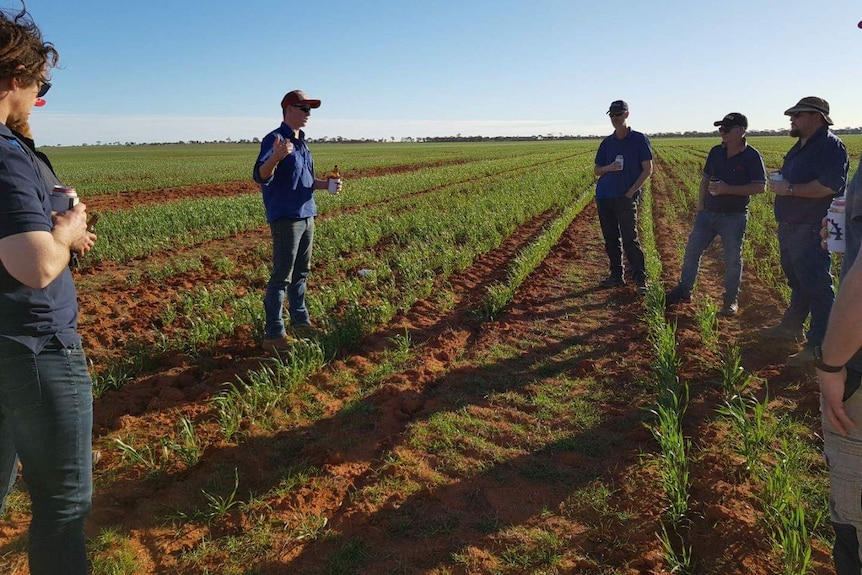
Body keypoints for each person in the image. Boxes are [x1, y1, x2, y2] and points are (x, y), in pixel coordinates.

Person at [0, 7, 97, 575]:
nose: (40, 95)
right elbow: (33, 266)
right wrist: (65, 232)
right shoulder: (7, 158)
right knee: (62, 506)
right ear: (15, 76)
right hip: (34, 348)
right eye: (40, 83)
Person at [762, 96, 848, 367]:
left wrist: (788, 189)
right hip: (790, 225)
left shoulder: (830, 146)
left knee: (818, 287)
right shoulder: (801, 146)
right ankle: (791, 326)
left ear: (817, 117)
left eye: (798, 115)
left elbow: (828, 186)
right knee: (797, 280)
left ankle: (818, 346)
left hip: (812, 227)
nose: (792, 119)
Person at [253, 89, 340, 351]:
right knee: (282, 276)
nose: (308, 114)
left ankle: (301, 322)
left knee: (301, 273)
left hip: (306, 213)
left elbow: (306, 181)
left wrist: (327, 185)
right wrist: (276, 157)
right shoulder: (275, 139)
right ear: (288, 109)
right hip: (286, 217)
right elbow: (261, 175)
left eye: (310, 109)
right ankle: (274, 334)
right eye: (304, 108)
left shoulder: (303, 144)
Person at [665, 113, 766, 316]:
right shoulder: (715, 152)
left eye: (726, 130)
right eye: (720, 129)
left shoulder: (752, 156)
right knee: (692, 252)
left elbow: (760, 187)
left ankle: (730, 301)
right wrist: (701, 206)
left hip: (734, 217)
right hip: (708, 214)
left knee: (732, 259)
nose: (722, 133)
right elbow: (705, 179)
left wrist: (728, 189)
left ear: (741, 131)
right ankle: (685, 290)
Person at [593, 100, 653, 294]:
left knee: (630, 239)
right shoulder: (607, 143)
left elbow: (647, 169)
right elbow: (596, 170)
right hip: (604, 196)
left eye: (618, 114)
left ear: (627, 114)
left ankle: (640, 279)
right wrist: (609, 168)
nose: (615, 118)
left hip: (625, 198)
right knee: (611, 239)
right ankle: (616, 276)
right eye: (612, 115)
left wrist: (630, 192)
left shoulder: (639, 139)